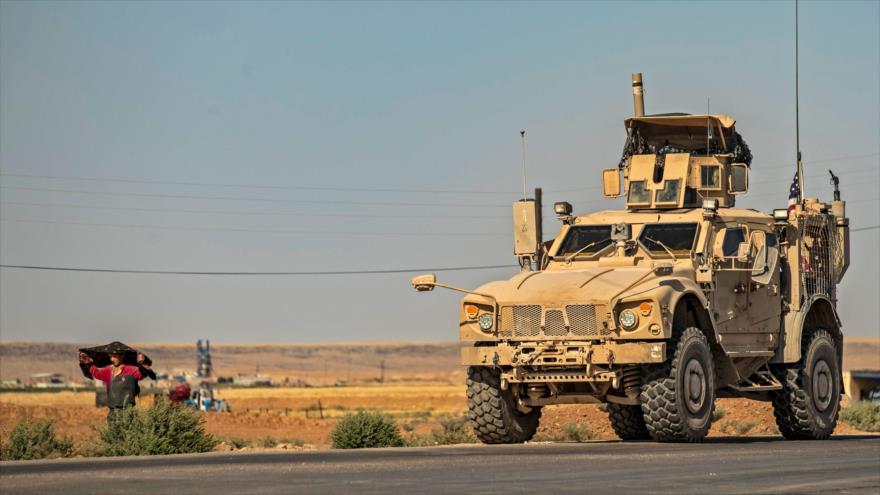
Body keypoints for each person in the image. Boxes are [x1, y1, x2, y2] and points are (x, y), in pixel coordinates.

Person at [79, 350, 155, 423]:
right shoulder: (108, 370)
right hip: (112, 414)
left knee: (127, 435)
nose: (112, 359)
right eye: (111, 356)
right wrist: (86, 361)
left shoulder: (131, 371)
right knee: (113, 435)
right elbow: (96, 373)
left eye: (115, 356)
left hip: (127, 413)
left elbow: (143, 373)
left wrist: (142, 364)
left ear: (122, 356)